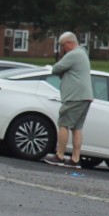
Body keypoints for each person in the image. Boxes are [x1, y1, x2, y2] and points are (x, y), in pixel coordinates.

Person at [43, 32, 93, 166]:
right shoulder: (82, 53)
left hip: (74, 97)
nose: (62, 49)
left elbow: (55, 69)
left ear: (69, 43)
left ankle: (59, 155)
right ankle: (75, 159)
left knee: (63, 123)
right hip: (85, 96)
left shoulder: (73, 54)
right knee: (77, 128)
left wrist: (62, 71)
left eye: (62, 45)